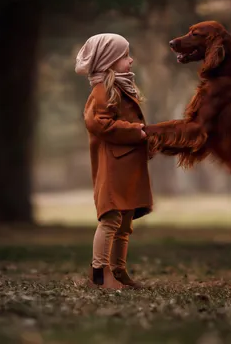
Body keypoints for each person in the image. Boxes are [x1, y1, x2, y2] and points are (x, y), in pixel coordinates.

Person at [75, 33, 153, 289]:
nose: (131, 60)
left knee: (125, 221)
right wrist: (136, 132)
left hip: (127, 164)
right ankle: (100, 272)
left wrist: (144, 139)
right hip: (113, 166)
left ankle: (119, 270)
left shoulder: (120, 86)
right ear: (109, 60)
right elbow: (99, 123)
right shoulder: (102, 90)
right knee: (110, 220)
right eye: (124, 56)